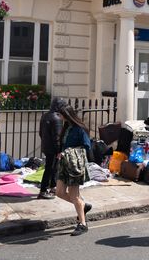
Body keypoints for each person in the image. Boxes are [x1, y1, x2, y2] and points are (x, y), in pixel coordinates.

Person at [56, 105, 93, 236]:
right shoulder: (66, 127)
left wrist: (68, 152)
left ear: (66, 115)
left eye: (60, 115)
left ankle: (82, 224)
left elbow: (86, 146)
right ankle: (83, 205)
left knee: (74, 196)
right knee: (59, 192)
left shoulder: (80, 129)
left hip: (74, 166)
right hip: (64, 164)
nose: (59, 117)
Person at [38, 97, 66, 199]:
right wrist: (59, 150)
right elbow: (57, 138)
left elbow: (40, 133)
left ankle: (53, 186)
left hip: (46, 146)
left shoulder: (44, 116)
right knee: (50, 169)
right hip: (53, 148)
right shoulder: (57, 118)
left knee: (53, 168)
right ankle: (43, 190)